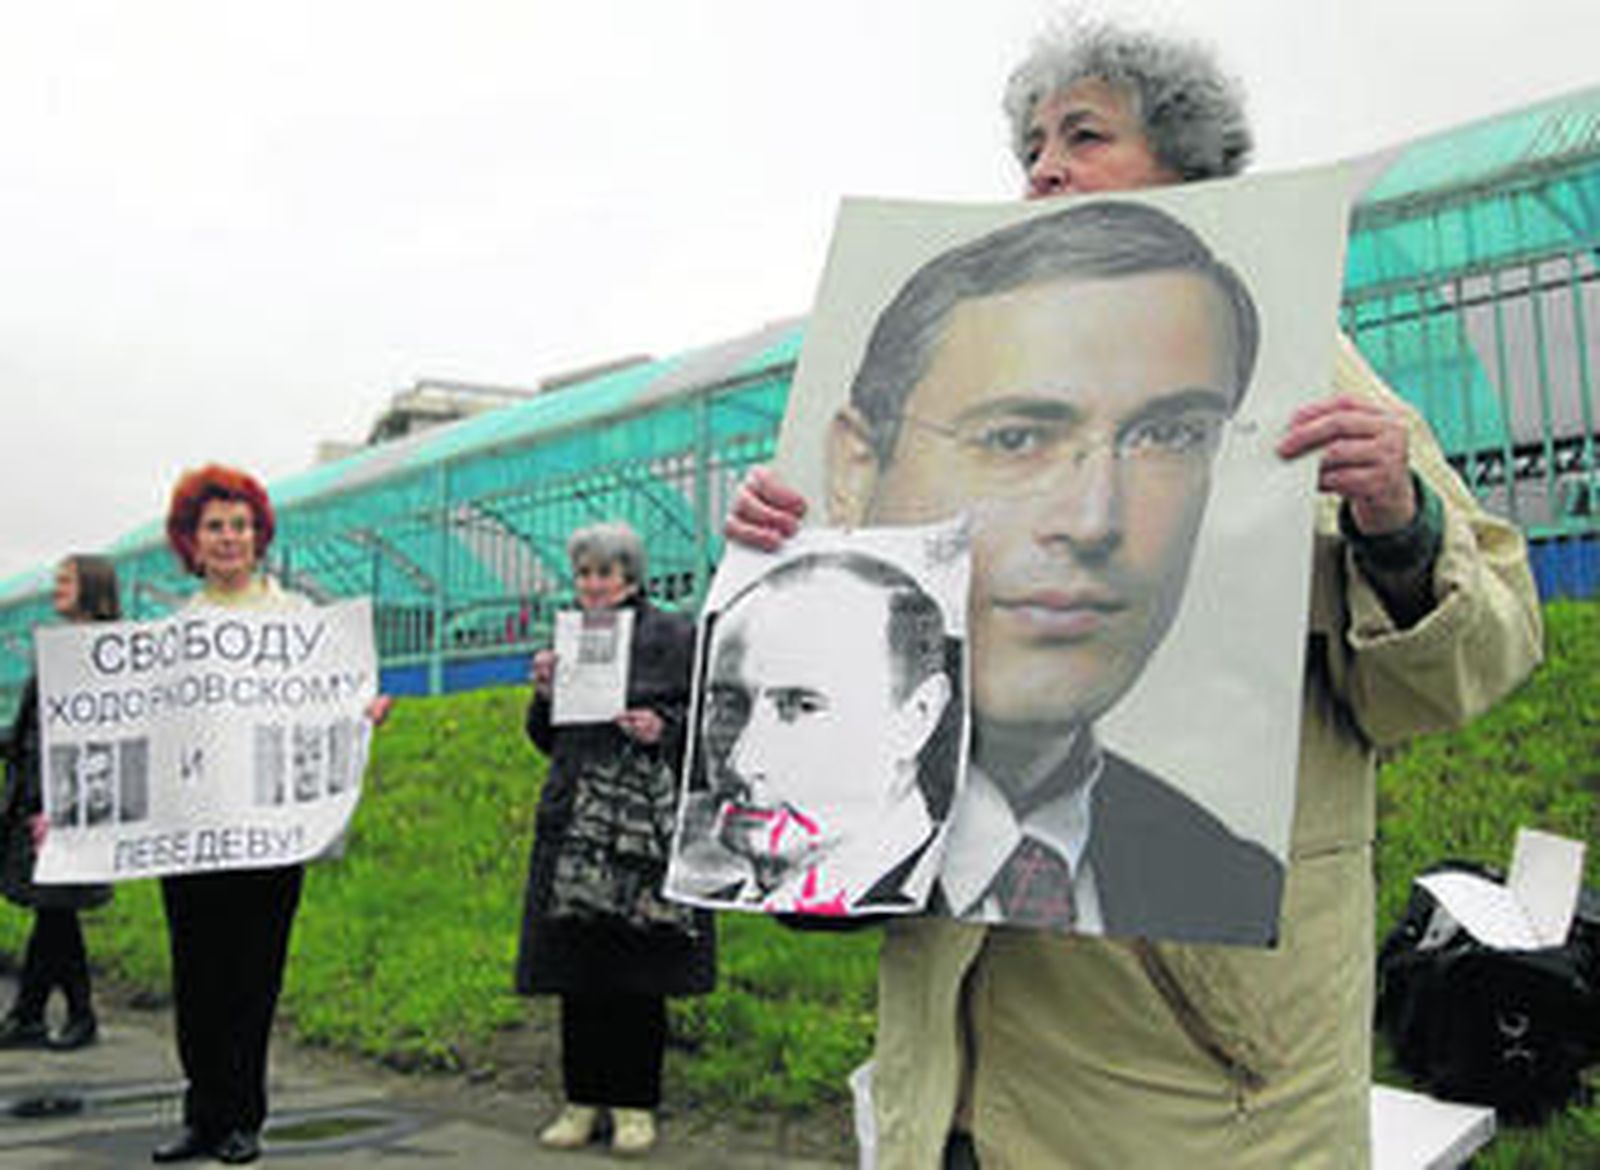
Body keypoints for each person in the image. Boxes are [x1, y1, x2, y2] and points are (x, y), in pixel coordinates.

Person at [725, 20, 1543, 1169]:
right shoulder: (948, 364)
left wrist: (1399, 531)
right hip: (954, 1084)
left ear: (1189, 165)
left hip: (1198, 1094)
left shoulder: (1310, 369)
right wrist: (798, 564)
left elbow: (1481, 650)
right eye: (1031, 146)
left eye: (1084, 135)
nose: (1044, 169)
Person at [829, 197, 1282, 942]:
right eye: (1015, 439)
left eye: (1169, 435)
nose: (1095, 520)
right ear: (856, 471)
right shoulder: (791, 808)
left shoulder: (1236, 885)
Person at [152, 463, 391, 1166]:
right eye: (214, 527)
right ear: (191, 541)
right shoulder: (174, 632)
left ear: (259, 537)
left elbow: (330, 704)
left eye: (240, 525)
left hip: (269, 834)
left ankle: (241, 1117)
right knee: (195, 977)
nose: (228, 538)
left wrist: (361, 715)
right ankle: (201, 1114)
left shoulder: (299, 623)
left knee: (252, 975)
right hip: (194, 834)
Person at [516, 521, 715, 1156]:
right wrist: (544, 694)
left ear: (630, 575)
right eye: (584, 573)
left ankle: (634, 1105)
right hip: (576, 823)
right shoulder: (567, 637)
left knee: (638, 968)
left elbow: (707, 719)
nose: (593, 584)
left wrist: (662, 728)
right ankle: (581, 1101)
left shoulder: (674, 635)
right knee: (577, 967)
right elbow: (547, 739)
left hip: (641, 824)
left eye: (605, 572)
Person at [684, 550, 958, 914]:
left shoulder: (965, 900)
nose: (743, 763)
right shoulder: (714, 902)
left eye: (802, 707)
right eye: (728, 704)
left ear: (917, 718)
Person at [0, 555, 121, 1052]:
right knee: (52, 908)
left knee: (55, 907)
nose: (57, 588)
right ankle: (31, 1014)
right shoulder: (62, 648)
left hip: (65, 802)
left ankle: (75, 1014)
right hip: (39, 795)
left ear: (92, 587)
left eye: (66, 580)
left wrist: (61, 802)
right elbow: (33, 727)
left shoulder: (102, 654)